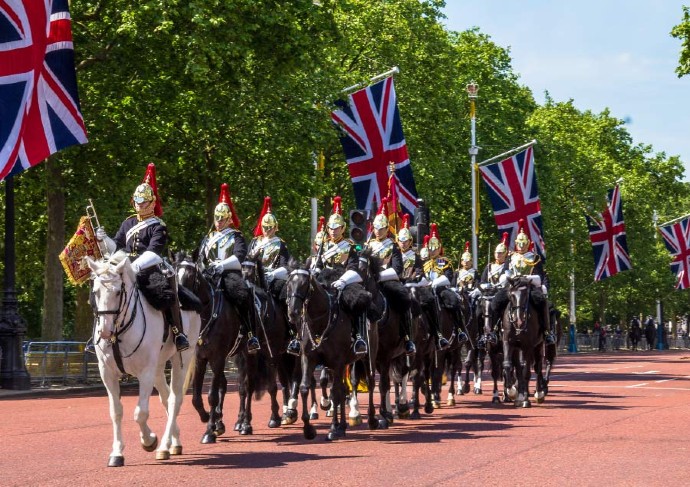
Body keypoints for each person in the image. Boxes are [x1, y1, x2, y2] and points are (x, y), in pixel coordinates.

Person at [96, 163, 190, 352]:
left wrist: (133, 268)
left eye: (143, 202)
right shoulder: (128, 222)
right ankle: (98, 334)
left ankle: (177, 331)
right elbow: (117, 246)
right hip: (123, 266)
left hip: (147, 268)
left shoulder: (158, 226)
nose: (139, 205)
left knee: (164, 294)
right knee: (101, 287)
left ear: (152, 203)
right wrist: (102, 240)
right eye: (137, 201)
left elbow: (154, 251)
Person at [198, 183, 259, 353]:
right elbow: (200, 257)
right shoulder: (208, 237)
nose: (218, 222)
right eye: (216, 218)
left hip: (229, 275)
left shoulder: (236, 235)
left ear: (229, 219)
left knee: (243, 295)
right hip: (209, 275)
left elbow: (240, 256)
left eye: (222, 219)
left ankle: (250, 333)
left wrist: (221, 265)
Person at [314, 196, 368, 356]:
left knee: (356, 300)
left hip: (342, 280)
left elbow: (353, 267)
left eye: (336, 228)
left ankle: (358, 336)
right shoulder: (324, 245)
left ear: (343, 228)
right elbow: (318, 266)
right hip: (324, 281)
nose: (333, 230)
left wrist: (343, 281)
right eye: (330, 227)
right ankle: (300, 337)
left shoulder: (350, 246)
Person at [247, 196, 301, 356]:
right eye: (264, 227)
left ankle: (292, 334)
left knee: (286, 298)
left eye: (270, 227)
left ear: (275, 227)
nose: (267, 230)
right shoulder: (254, 243)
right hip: (256, 280)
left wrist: (272, 274)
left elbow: (285, 266)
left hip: (273, 279)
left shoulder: (280, 244)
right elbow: (248, 261)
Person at [363, 199, 414, 355]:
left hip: (386, 281)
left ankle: (407, 338)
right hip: (368, 282)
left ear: (387, 229)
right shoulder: (367, 245)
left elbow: (398, 269)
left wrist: (378, 277)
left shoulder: (392, 246)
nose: (378, 231)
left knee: (403, 300)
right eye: (376, 228)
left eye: (381, 228)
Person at [492, 219, 556, 345]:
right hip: (513, 287)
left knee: (543, 303)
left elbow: (538, 277)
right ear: (516, 243)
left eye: (523, 243)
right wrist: (510, 277)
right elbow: (504, 274)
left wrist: (526, 279)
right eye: (519, 243)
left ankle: (546, 332)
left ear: (527, 243)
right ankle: (494, 330)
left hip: (529, 288)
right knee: (495, 303)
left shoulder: (535, 258)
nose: (521, 246)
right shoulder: (510, 257)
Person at [398, 215, 449, 351]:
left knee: (435, 300)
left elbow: (420, 272)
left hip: (416, 285)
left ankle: (440, 334)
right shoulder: (394, 253)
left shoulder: (417, 256)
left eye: (406, 241)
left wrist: (415, 278)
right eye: (401, 240)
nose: (432, 250)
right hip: (397, 285)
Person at [421, 223, 467, 344]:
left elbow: (448, 277)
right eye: (430, 248)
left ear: (439, 248)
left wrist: (435, 283)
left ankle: (460, 329)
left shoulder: (444, 261)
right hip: (426, 289)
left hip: (440, 288)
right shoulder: (424, 263)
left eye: (435, 248)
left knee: (453, 301)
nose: (432, 251)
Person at [477, 232, 510, 347]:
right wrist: (484, 286)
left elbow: (508, 279)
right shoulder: (489, 266)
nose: (497, 255)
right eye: (496, 253)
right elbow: (481, 281)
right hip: (488, 294)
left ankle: (498, 331)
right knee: (477, 312)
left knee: (500, 309)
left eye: (500, 253)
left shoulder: (508, 265)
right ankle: (481, 334)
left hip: (501, 293)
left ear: (505, 254)